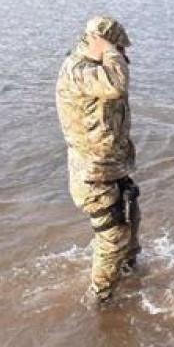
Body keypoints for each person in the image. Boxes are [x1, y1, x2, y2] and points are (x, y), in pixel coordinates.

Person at [55, 16, 140, 307]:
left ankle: (128, 271)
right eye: (118, 47)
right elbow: (117, 85)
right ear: (99, 42)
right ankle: (99, 299)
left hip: (111, 164)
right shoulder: (78, 71)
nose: (123, 55)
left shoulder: (98, 68)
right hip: (92, 171)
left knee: (131, 213)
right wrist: (109, 49)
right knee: (112, 234)